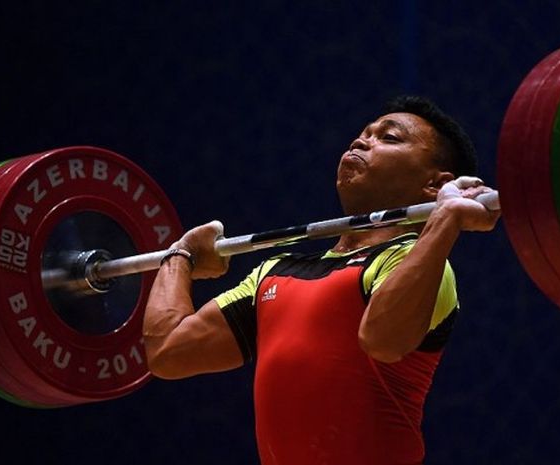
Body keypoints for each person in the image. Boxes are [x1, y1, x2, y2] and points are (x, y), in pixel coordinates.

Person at [143, 95, 500, 464]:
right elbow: (168, 352)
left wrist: (447, 218)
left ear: (434, 185)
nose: (362, 141)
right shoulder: (275, 271)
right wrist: (181, 255)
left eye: (389, 137)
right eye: (362, 134)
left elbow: (381, 340)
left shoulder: (415, 263)